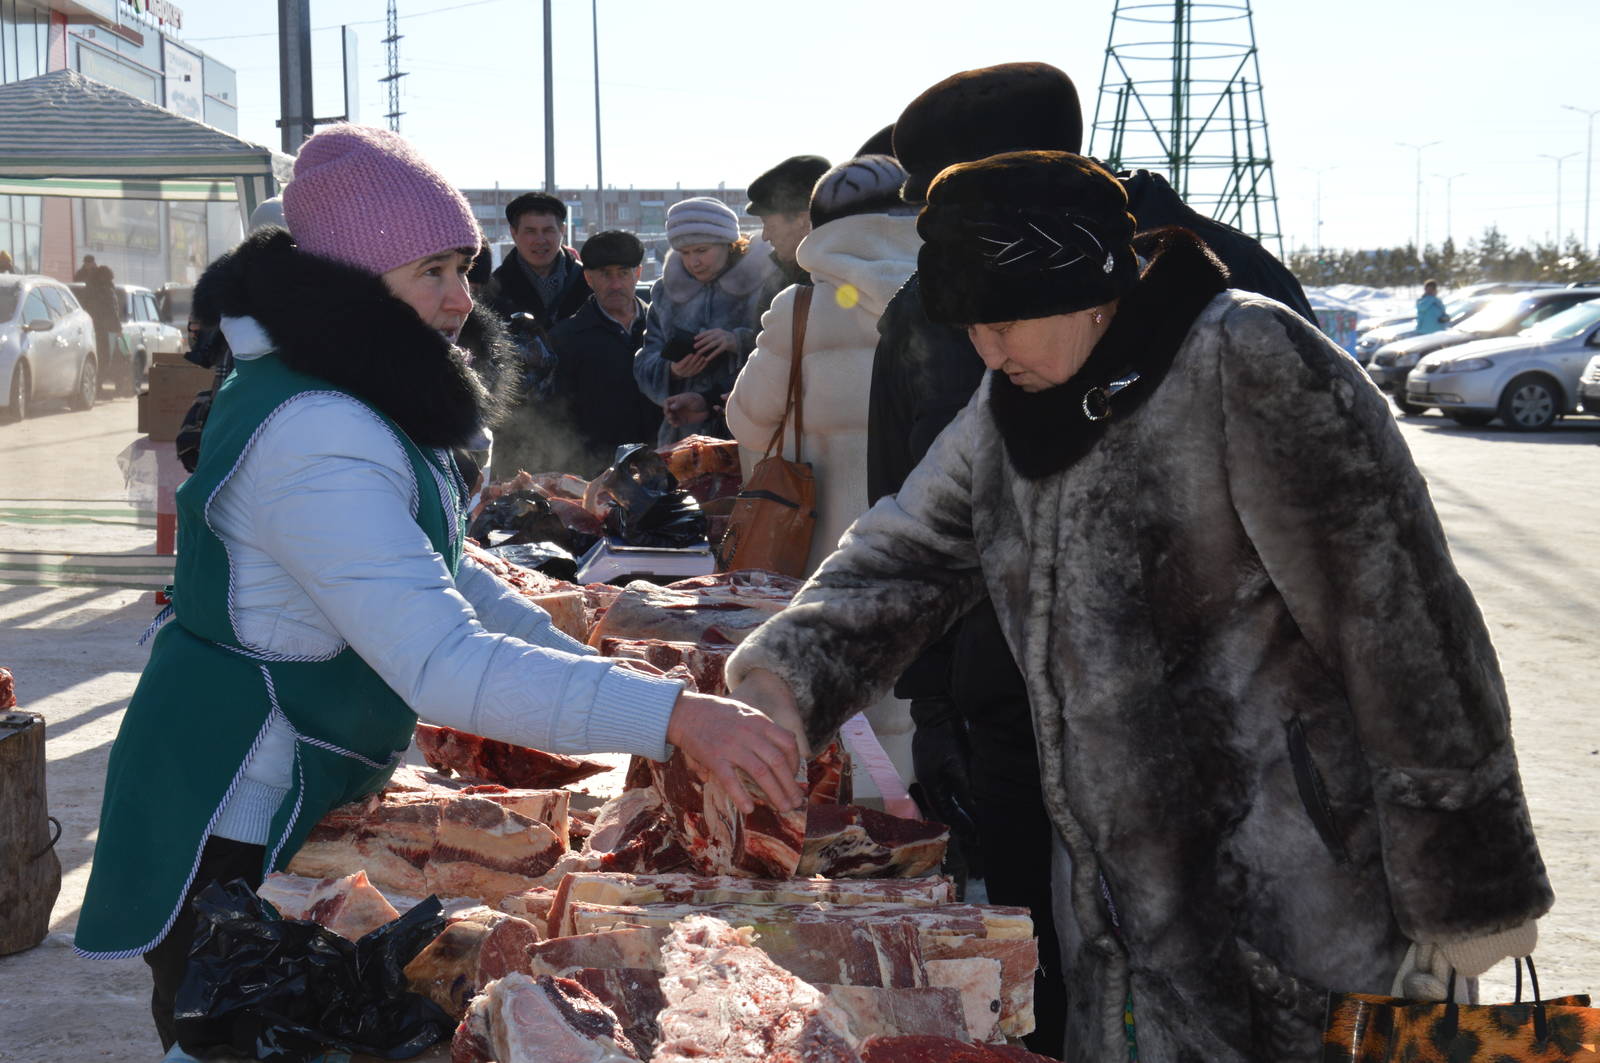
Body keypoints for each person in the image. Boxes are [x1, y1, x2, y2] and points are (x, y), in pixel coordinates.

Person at [726, 151, 1552, 1063]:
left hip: (1309, 901)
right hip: (1125, 922)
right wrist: (782, 680)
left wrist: (1471, 889)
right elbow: (902, 555)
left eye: (1004, 321)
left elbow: (1405, 626)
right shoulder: (1011, 410)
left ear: (1092, 289)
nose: (988, 352)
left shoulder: (1247, 360)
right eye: (971, 329)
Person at [70, 125, 802, 1054]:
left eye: (465, 265)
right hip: (236, 799)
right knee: (229, 1029)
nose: (462, 299)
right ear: (349, 285)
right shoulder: (316, 428)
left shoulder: (346, 385)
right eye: (432, 273)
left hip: (297, 770)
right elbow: (440, 661)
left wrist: (592, 671)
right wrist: (672, 717)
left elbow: (440, 567)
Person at [868, 61, 1320, 1055]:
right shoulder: (930, 309)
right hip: (1025, 723)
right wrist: (937, 707)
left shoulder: (1233, 286)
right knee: (1057, 993)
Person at [725, 155, 921, 778]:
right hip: (933, 543)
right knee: (926, 697)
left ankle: (864, 833)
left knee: (843, 694)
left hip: (828, 552)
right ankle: (934, 833)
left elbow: (748, 420)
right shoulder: (953, 294)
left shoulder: (802, 307)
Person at [634, 196, 775, 445]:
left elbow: (783, 349)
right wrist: (671, 372)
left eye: (702, 250)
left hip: (749, 434)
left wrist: (737, 341)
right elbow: (646, 358)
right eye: (685, 253)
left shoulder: (766, 285)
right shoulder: (665, 294)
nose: (693, 262)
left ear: (729, 244)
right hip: (684, 437)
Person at [543, 229, 662, 476]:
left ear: (637, 274)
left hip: (661, 467)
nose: (616, 284)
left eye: (623, 273)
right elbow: (556, 418)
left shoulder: (662, 328)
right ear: (588, 278)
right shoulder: (565, 338)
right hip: (598, 476)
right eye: (605, 275)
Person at [486, 191, 589, 330]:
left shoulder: (589, 283)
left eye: (548, 230)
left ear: (562, 231)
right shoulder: (493, 291)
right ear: (514, 233)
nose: (540, 240)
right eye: (530, 231)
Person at [745, 154, 830, 316]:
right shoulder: (781, 275)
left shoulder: (838, 278)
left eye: (769, 225)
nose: (765, 236)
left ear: (803, 220)